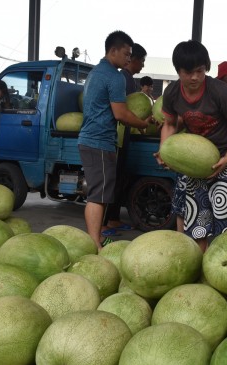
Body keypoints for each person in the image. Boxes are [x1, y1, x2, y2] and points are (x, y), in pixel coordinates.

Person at [156, 40, 227, 252]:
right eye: (188, 72)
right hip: (195, 160)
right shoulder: (172, 92)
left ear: (206, 68)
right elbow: (170, 124)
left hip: (226, 157)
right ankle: (200, 266)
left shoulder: (219, 91)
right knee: (197, 222)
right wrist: (164, 150)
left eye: (200, 71)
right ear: (178, 71)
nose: (195, 77)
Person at [78, 31, 150, 249]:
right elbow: (121, 114)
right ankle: (94, 243)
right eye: (127, 54)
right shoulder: (114, 76)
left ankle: (97, 238)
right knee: (98, 195)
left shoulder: (96, 72)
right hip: (99, 141)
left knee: (99, 193)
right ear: (113, 50)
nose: (129, 58)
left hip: (92, 140)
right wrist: (144, 124)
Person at [102, 42, 148, 238]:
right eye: (142, 61)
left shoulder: (128, 79)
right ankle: (105, 222)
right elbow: (123, 111)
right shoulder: (123, 79)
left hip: (124, 134)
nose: (142, 65)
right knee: (112, 181)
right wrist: (142, 123)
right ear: (134, 59)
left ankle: (113, 218)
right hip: (118, 136)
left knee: (119, 179)